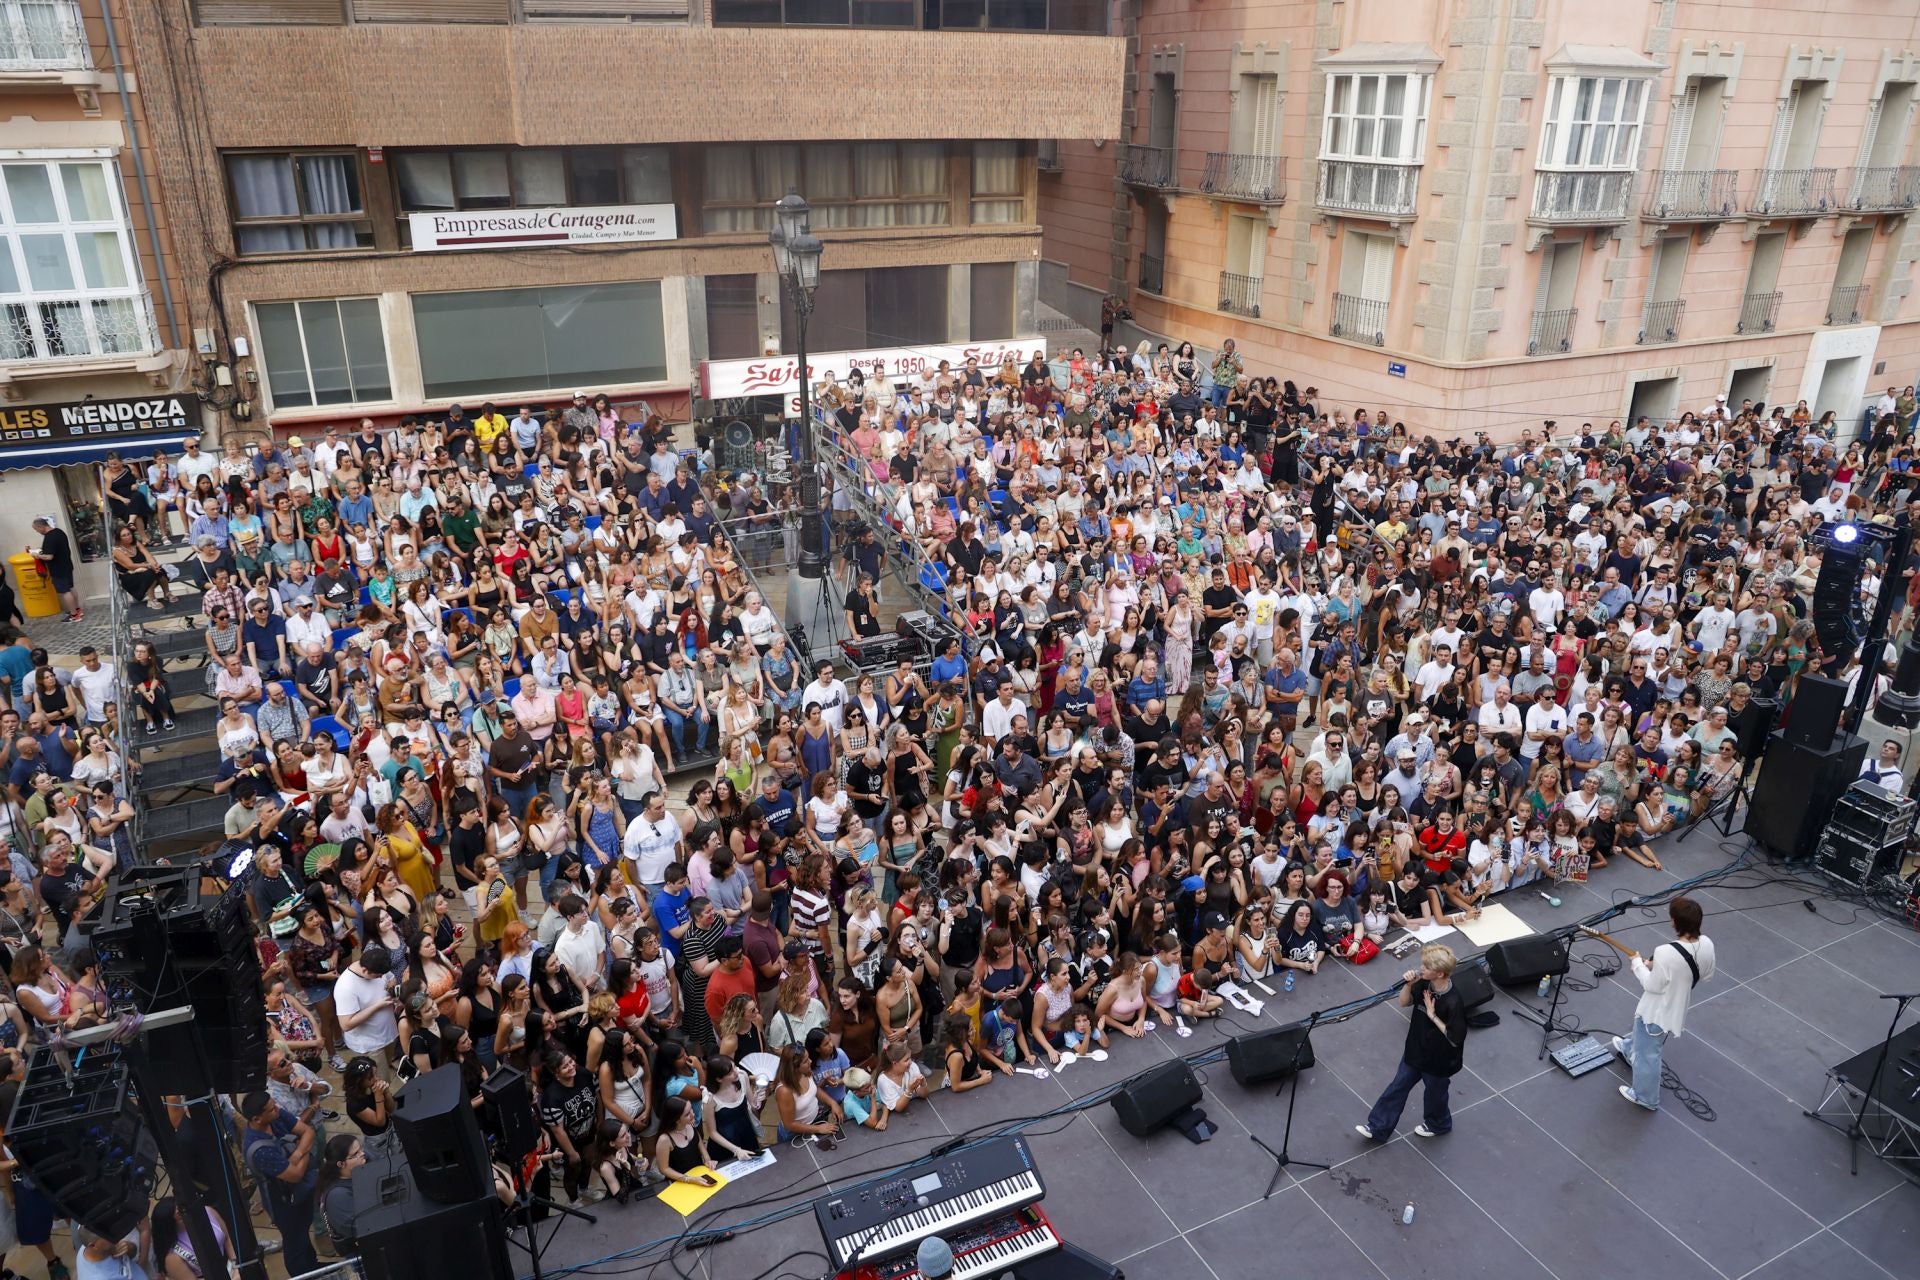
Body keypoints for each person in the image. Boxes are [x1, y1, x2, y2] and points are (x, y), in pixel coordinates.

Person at [1355, 944, 1468, 1141]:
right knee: (1398, 1086)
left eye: (1427, 966)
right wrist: (1409, 985)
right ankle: (1378, 1127)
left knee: (1435, 1095)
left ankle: (1439, 1124)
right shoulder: (1423, 983)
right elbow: (1404, 1002)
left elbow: (1455, 1037)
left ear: (1440, 973)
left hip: (1439, 1060)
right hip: (1416, 1050)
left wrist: (1433, 1016)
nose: (1421, 968)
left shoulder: (1453, 1001)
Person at [1613, 896, 1716, 1111]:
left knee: (1648, 1053)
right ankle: (1628, 1048)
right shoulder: (1707, 943)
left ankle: (1645, 1097)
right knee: (1642, 1038)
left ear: (1675, 922)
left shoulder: (1664, 952)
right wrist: (1659, 967)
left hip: (1657, 1011)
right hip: (1675, 1006)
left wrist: (1638, 964)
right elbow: (1706, 976)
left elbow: (1652, 986)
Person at [238, 1091, 320, 1277]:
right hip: (281, 1201)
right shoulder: (259, 1149)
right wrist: (305, 1148)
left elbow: (308, 1131)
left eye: (274, 1105)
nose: (277, 1109)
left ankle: (313, 1265)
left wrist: (298, 1153)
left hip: (298, 1190)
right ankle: (302, 1274)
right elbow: (295, 1175)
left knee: (304, 1229)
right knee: (294, 1240)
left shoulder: (274, 1114)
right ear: (257, 1118)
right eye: (271, 1109)